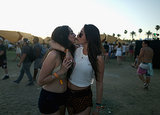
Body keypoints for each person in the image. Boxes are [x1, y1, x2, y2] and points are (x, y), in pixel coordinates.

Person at [50, 24, 105, 115]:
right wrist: (66, 51)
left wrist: (98, 107)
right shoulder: (75, 49)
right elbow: (51, 42)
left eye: (81, 34)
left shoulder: (98, 58)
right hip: (68, 94)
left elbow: (99, 82)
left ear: (89, 38)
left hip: (83, 96)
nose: (77, 35)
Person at [37, 25, 75, 115]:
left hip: (63, 96)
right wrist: (60, 72)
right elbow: (40, 81)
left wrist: (67, 50)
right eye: (71, 33)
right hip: (50, 97)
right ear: (63, 36)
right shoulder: (53, 55)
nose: (75, 34)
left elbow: (52, 42)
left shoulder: (69, 51)